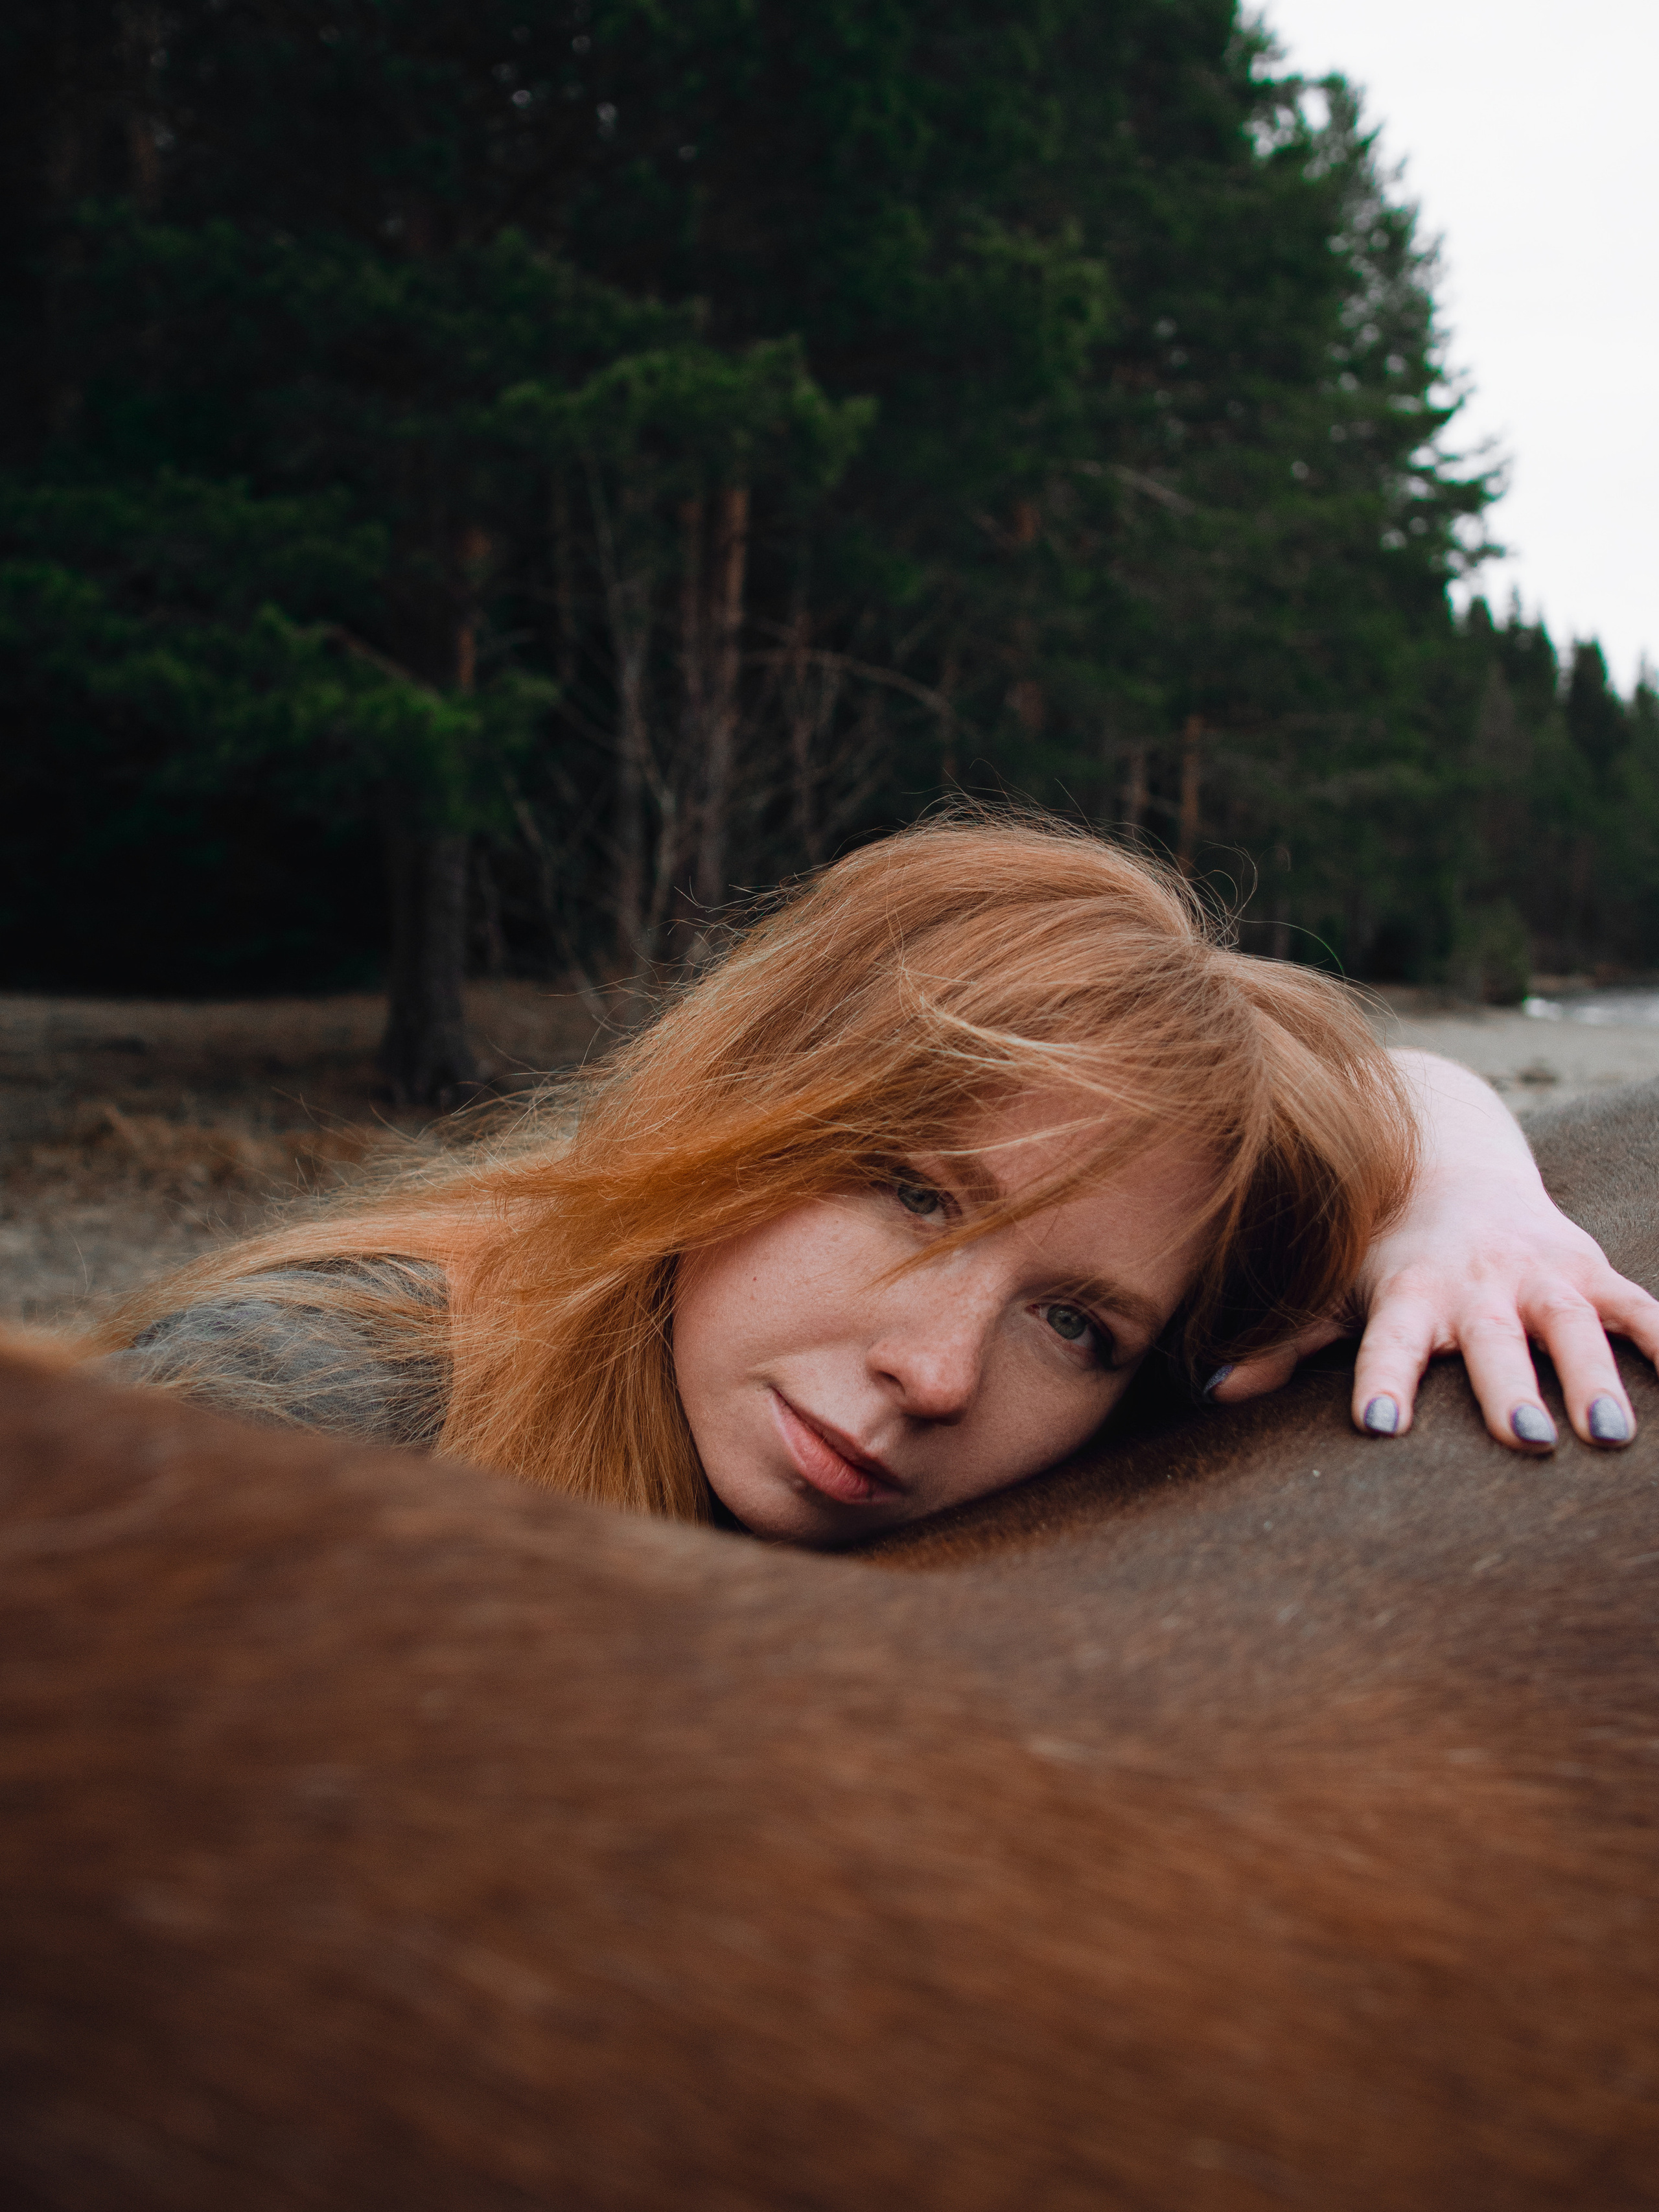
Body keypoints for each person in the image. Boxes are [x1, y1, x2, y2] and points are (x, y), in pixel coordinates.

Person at [95, 814, 1659, 1547]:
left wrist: (1469, 1208)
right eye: (915, 1196)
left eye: (1076, 1327)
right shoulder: (311, 1401)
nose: (932, 1373)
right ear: (748, 1107)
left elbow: (1396, 1083)